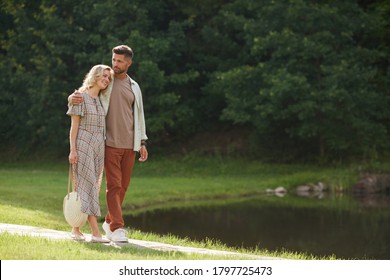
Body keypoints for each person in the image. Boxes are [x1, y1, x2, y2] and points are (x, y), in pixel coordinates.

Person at [69, 45, 149, 242]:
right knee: (114, 185)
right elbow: (87, 90)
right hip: (108, 143)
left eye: (120, 61)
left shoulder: (134, 87)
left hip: (130, 144)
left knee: (123, 187)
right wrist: (72, 97)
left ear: (129, 63)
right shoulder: (107, 81)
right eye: (114, 60)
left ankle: (108, 221)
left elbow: (139, 115)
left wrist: (142, 141)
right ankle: (116, 228)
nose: (115, 64)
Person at [67, 64, 113, 243]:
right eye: (104, 76)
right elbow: (74, 126)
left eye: (108, 78)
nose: (106, 80)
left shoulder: (101, 99)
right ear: (94, 76)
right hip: (83, 143)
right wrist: (72, 149)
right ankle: (95, 233)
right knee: (88, 186)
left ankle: (75, 229)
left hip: (98, 146)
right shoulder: (79, 97)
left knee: (91, 186)